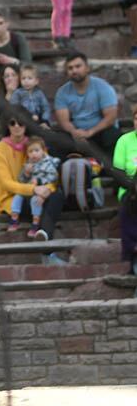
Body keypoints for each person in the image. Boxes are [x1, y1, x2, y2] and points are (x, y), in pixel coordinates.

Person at [0, 110, 64, 242]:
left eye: (21, 122)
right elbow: (5, 183)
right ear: (7, 126)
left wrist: (46, 190)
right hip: (13, 199)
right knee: (46, 202)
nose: (17, 126)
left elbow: (50, 173)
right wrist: (34, 190)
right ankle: (46, 246)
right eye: (12, 123)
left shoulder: (35, 145)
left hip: (38, 194)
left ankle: (43, 233)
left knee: (57, 195)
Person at [52, 51, 121, 158]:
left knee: (113, 135)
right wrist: (74, 132)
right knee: (56, 140)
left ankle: (109, 170)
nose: (74, 70)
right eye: (70, 68)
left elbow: (110, 117)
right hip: (76, 134)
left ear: (87, 68)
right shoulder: (62, 92)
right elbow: (64, 121)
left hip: (99, 131)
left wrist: (90, 132)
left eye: (78, 66)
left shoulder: (102, 87)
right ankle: (66, 168)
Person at [8, 136, 61, 237]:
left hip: (42, 190)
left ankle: (35, 222)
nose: (34, 154)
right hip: (30, 189)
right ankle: (14, 218)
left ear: (43, 151)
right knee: (18, 196)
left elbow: (53, 176)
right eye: (30, 152)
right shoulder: (28, 164)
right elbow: (20, 181)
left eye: (36, 150)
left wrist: (40, 180)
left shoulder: (48, 163)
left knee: (35, 200)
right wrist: (26, 174)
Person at [111, 105, 137, 271]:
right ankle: (133, 251)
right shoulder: (124, 141)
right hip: (130, 192)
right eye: (136, 118)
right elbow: (118, 174)